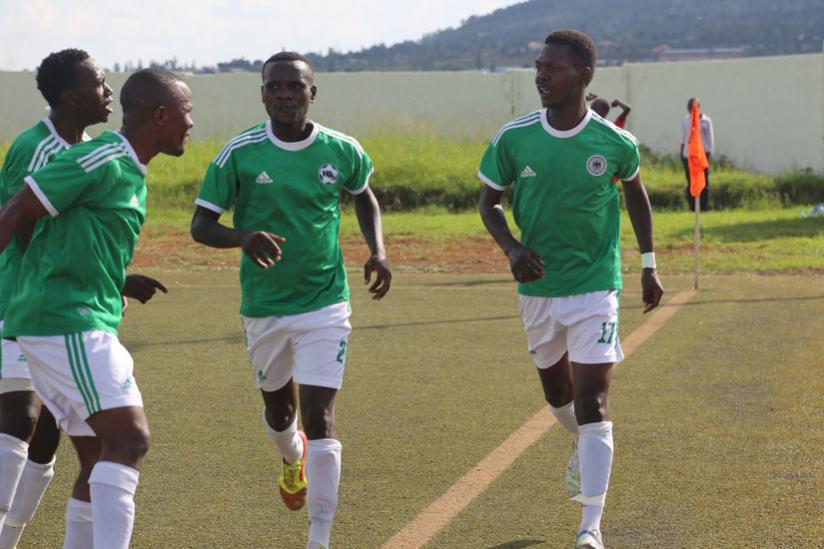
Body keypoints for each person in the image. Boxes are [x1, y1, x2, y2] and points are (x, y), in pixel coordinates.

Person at [191, 51, 391, 549]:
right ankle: (289, 456)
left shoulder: (341, 149)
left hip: (325, 301)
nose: (284, 95)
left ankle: (318, 539)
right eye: (274, 87)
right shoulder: (238, 153)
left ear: (311, 93)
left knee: (321, 416)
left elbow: (363, 194)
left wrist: (378, 251)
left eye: (294, 87)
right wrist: (243, 237)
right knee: (282, 416)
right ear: (262, 94)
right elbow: (201, 225)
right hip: (264, 307)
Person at [478, 29, 663, 549]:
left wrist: (648, 265)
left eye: (553, 69)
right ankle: (583, 446)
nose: (541, 75)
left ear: (584, 77)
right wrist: (513, 250)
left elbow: (637, 199)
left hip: (595, 286)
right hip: (538, 289)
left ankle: (590, 528)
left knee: (594, 403)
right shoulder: (514, 138)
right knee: (559, 397)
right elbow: (488, 202)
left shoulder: (615, 143)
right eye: (539, 67)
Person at [0, 67, 192, 549]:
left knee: (96, 459)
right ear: (161, 114)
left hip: (81, 319)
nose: (192, 123)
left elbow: (65, 237)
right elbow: (18, 211)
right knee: (130, 440)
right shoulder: (99, 156)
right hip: (66, 321)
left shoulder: (128, 165)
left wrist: (116, 282)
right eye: (186, 113)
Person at [0, 48, 114, 549]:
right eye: (101, 83)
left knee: (49, 433)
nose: (109, 91)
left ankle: (12, 535)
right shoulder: (37, 147)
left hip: (64, 305)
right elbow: (21, 228)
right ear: (71, 96)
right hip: (21, 303)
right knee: (21, 417)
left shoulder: (84, 146)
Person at [681, 97, 713, 211]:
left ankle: (703, 207)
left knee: (704, 183)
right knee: (690, 182)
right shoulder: (686, 120)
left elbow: (710, 139)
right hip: (688, 155)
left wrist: (707, 155)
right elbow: (684, 138)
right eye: (690, 108)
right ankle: (692, 207)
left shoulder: (706, 121)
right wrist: (682, 153)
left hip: (702, 156)